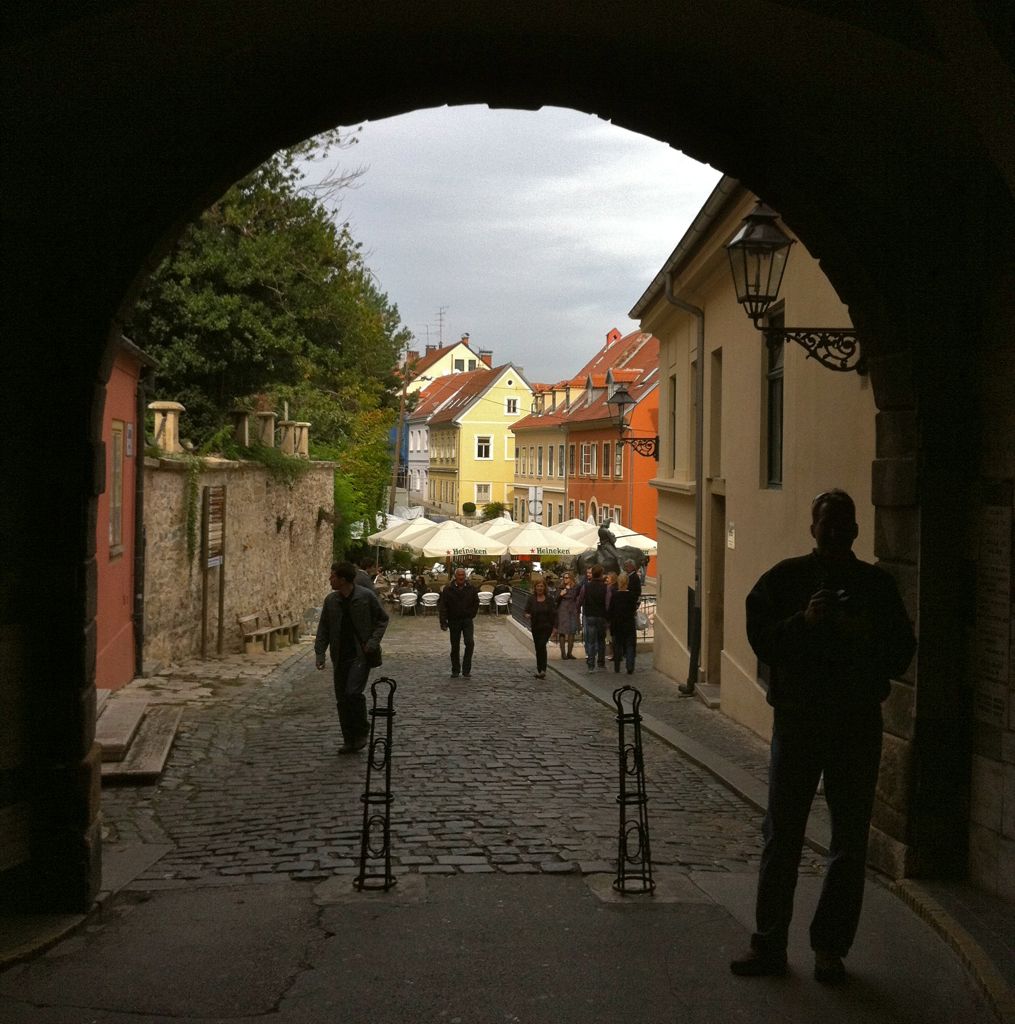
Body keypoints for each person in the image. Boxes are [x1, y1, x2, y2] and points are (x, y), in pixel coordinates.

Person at [730, 489, 916, 985]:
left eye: (844, 523)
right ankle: (770, 942)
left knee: (849, 841)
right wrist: (803, 621)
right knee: (782, 834)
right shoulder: (784, 580)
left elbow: (901, 653)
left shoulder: (875, 587)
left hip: (855, 724)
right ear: (813, 528)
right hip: (799, 720)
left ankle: (830, 949)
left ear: (855, 530)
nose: (835, 531)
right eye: (827, 522)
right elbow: (761, 640)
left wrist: (858, 631)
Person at [315, 561, 389, 754]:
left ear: (343, 579)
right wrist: (320, 653)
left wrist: (372, 642)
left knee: (352, 693)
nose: (330, 579)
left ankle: (362, 731)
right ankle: (349, 739)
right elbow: (324, 628)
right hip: (340, 656)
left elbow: (382, 619)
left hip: (360, 655)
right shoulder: (331, 601)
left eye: (333, 576)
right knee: (342, 699)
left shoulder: (365, 597)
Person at [438, 567, 479, 678]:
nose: (461, 577)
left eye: (463, 575)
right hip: (454, 620)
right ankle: (455, 670)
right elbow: (443, 606)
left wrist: (471, 614)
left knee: (469, 643)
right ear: (455, 576)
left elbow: (476, 602)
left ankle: (466, 669)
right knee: (455, 646)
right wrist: (443, 622)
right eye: (459, 575)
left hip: (467, 619)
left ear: (465, 577)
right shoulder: (448, 589)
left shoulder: (471, 589)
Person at [524, 577, 557, 679]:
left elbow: (554, 614)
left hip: (547, 626)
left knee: (542, 645)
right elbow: (526, 611)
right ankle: (540, 669)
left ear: (544, 587)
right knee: (538, 648)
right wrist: (527, 615)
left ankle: (543, 669)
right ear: (535, 587)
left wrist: (555, 627)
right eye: (538, 586)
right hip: (536, 626)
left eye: (541, 586)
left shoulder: (549, 600)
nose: (540, 588)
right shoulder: (531, 599)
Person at [578, 564, 608, 672]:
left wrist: (578, 611)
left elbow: (580, 599)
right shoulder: (605, 587)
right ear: (601, 574)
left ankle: (591, 664)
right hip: (601, 616)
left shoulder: (586, 586)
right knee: (601, 640)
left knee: (590, 641)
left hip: (589, 615)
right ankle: (601, 662)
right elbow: (607, 602)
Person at [607, 572, 638, 674]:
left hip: (617, 624)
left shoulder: (615, 595)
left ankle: (617, 667)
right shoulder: (631, 596)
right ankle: (630, 667)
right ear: (627, 582)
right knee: (630, 646)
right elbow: (634, 609)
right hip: (629, 623)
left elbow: (610, 610)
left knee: (617, 646)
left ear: (619, 582)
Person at [555, 571, 580, 660]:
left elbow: (577, 596)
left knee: (572, 631)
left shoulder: (575, 587)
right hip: (563, 610)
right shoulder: (560, 587)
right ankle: (563, 653)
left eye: (567, 578)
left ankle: (569, 653)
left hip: (572, 610)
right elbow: (556, 598)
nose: (565, 579)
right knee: (562, 631)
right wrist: (561, 594)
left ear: (571, 578)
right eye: (564, 578)